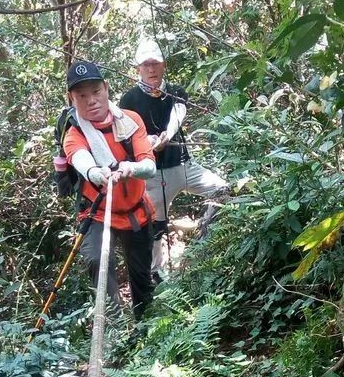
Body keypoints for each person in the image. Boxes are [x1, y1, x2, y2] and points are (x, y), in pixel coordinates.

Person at [55, 60, 156, 320]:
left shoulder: (130, 121)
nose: (91, 101)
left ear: (106, 88)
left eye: (96, 92)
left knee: (141, 276)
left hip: (136, 212)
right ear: (71, 98)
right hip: (99, 213)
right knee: (97, 263)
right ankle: (114, 325)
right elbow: (80, 159)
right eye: (82, 95)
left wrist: (129, 169)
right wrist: (95, 173)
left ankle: (145, 325)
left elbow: (148, 166)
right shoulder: (74, 133)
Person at [120, 39, 228, 278]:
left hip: (185, 166)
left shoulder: (175, 91)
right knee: (156, 227)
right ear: (138, 67)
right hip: (154, 176)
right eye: (146, 64)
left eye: (155, 63)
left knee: (222, 190)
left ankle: (204, 246)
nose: (151, 69)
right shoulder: (129, 100)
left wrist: (167, 135)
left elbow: (178, 113)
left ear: (164, 65)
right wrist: (148, 142)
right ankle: (156, 274)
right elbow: (129, 134)